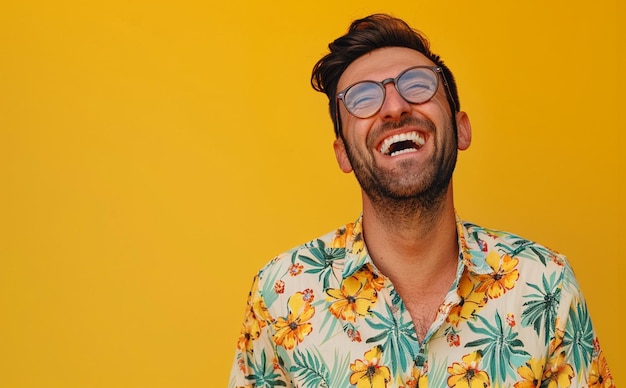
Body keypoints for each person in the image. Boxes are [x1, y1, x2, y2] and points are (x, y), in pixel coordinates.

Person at [228, 13, 613, 388]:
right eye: (362, 97)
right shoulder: (281, 293)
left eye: (417, 85)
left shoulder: (545, 285)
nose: (395, 107)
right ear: (342, 153)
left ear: (461, 129)